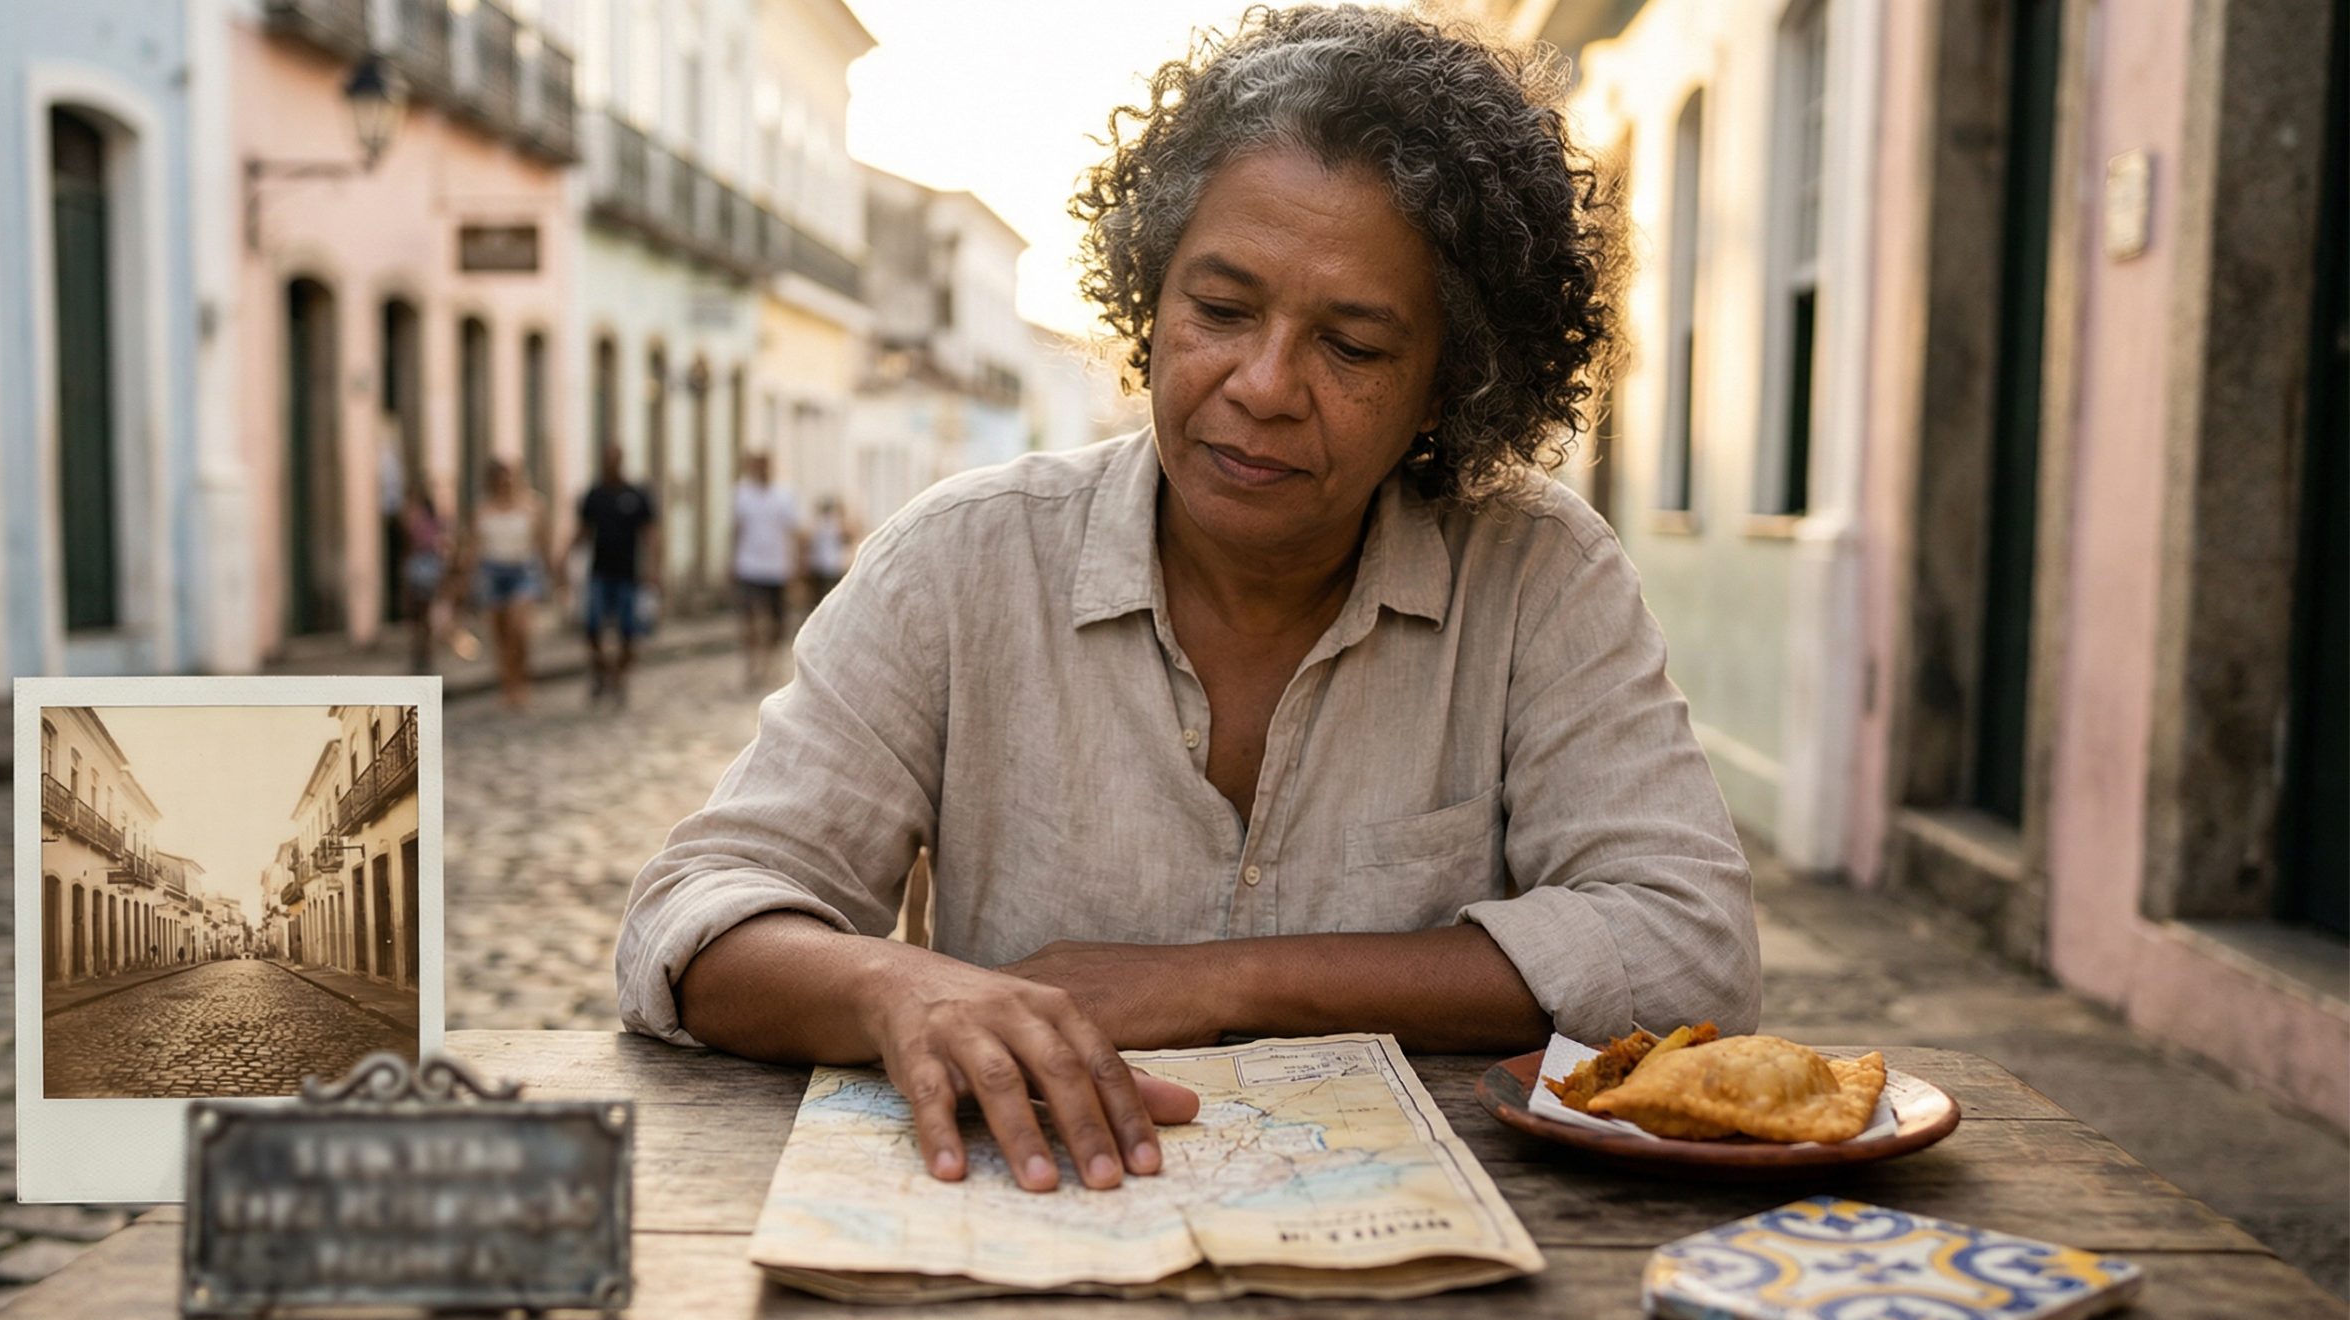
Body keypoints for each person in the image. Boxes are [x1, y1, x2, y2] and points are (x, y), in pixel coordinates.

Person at [616, 6, 1754, 1196]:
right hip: (1028, 1237)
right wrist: (899, 989)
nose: (1262, 385)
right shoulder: (959, 562)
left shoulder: (1536, 576)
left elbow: (1692, 953)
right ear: (1149, 300)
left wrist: (1217, 980)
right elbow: (689, 921)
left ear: (1450, 385)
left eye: (1352, 347)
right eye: (1219, 309)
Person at [565, 443, 660, 706]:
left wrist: (654, 569)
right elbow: (583, 530)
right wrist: (564, 557)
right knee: (592, 627)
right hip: (600, 573)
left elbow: (650, 534)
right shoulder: (595, 495)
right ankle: (601, 669)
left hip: (628, 574)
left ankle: (619, 677)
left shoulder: (635, 495)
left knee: (629, 631)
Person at [458, 458, 543, 710]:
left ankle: (522, 677)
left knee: (519, 629)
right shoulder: (483, 509)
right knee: (500, 635)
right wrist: (464, 578)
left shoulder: (532, 506)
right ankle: (509, 684)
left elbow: (540, 541)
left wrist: (553, 572)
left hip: (522, 570)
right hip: (492, 572)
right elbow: (474, 546)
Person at [729, 452, 798, 690]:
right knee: (749, 617)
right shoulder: (741, 494)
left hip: (777, 567)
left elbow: (792, 531)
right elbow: (736, 529)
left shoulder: (784, 495)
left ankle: (771, 662)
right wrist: (733, 561)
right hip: (749, 566)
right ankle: (752, 663)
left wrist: (795, 564)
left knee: (776, 620)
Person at [398, 479, 450, 675]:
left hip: (424, 566)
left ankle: (423, 653)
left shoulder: (419, 519)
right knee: (420, 614)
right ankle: (421, 653)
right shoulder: (419, 518)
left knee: (422, 614)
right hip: (423, 566)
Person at [802, 494, 858, 617]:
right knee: (829, 596)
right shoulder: (832, 524)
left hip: (824, 565)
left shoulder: (820, 524)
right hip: (828, 565)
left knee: (822, 597)